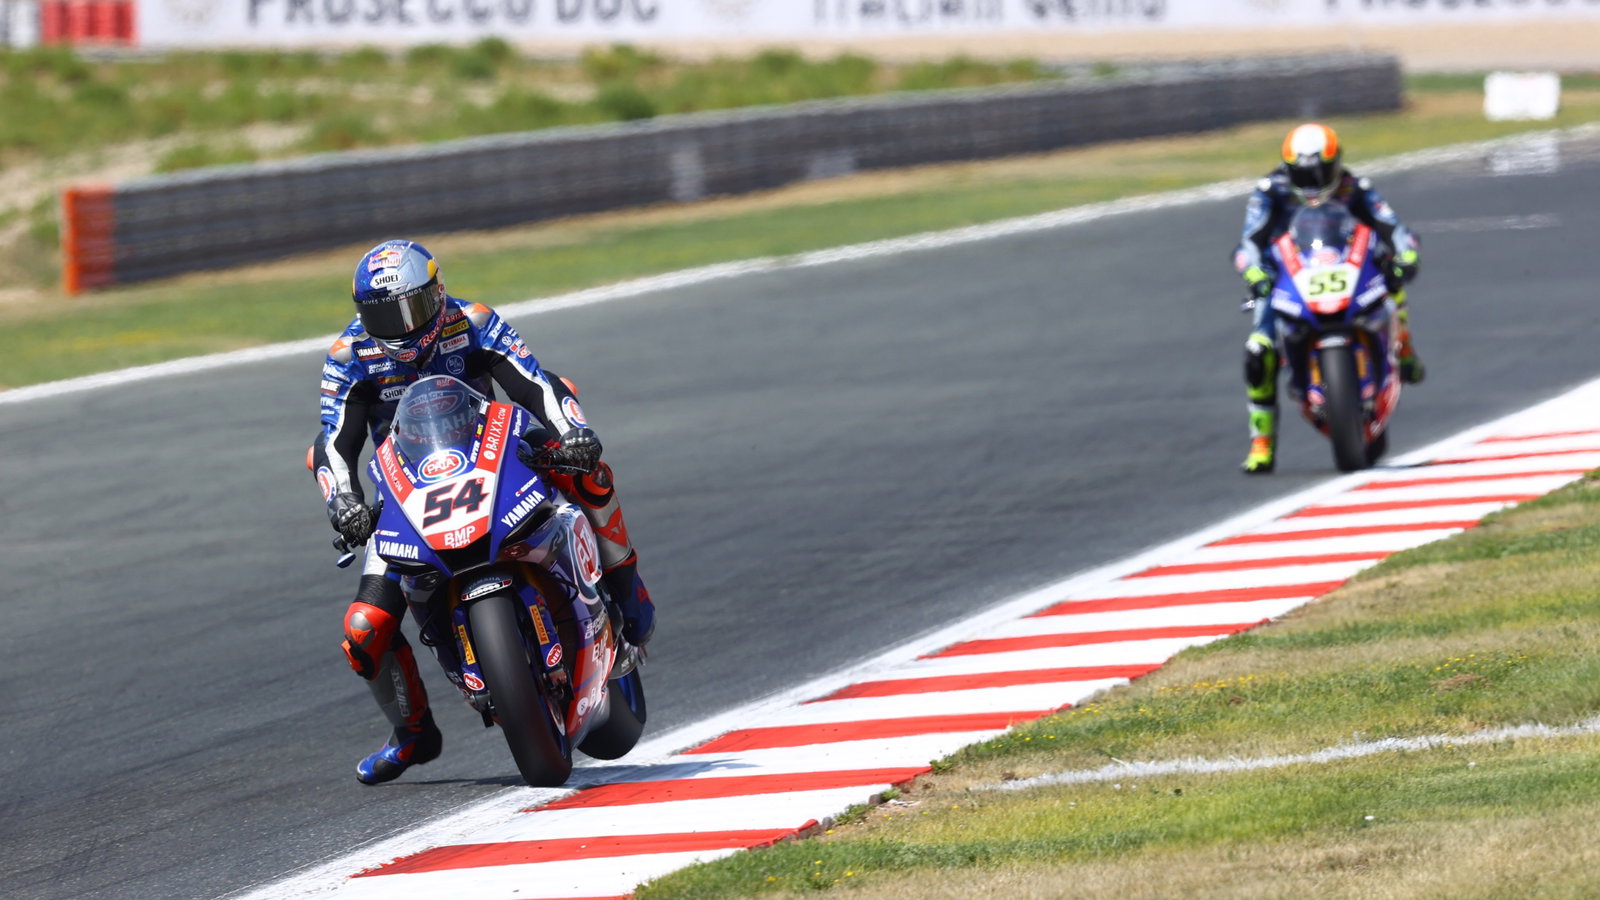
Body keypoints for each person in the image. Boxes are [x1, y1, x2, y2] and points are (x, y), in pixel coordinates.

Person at [311, 239, 656, 785]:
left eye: (412, 308)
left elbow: (536, 382)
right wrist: (344, 501)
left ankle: (628, 587)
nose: (400, 326)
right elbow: (333, 443)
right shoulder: (348, 357)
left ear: (437, 292)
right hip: (409, 494)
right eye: (383, 314)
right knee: (363, 628)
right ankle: (411, 734)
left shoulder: (471, 322)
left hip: (496, 458)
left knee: (588, 469)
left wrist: (574, 433)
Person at [1232, 122, 1424, 475]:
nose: (1312, 181)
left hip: (1345, 266)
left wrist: (1406, 254)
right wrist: (1254, 271)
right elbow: (1248, 242)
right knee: (1258, 350)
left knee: (1390, 275)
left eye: (1320, 171)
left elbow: (1393, 227)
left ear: (1336, 164)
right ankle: (1262, 442)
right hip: (1288, 277)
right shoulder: (1269, 191)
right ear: (1288, 168)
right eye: (1303, 173)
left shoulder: (1355, 188)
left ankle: (1405, 348)